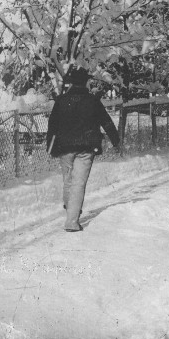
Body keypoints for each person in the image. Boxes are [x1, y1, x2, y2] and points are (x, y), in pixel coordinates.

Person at [46, 67, 120, 232]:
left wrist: (49, 146)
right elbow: (106, 121)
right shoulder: (92, 101)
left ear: (71, 82)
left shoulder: (61, 101)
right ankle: (72, 221)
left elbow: (52, 125)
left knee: (68, 181)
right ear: (85, 82)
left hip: (64, 146)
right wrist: (116, 141)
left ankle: (71, 210)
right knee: (79, 183)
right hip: (87, 146)